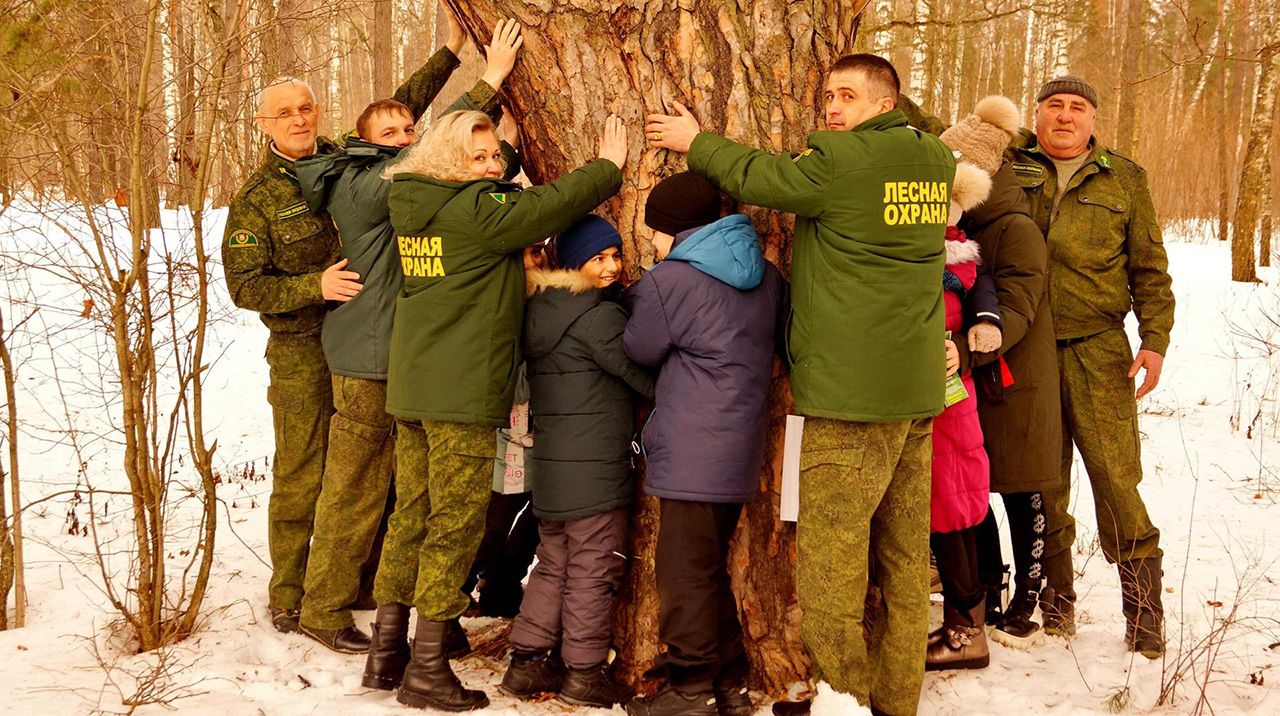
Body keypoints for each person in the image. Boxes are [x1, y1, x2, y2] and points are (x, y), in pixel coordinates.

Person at [647, 53, 954, 716]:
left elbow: (762, 176)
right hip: (915, 392)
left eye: (846, 96)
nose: (832, 110)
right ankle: (896, 702)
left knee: (830, 579)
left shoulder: (844, 164)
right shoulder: (933, 160)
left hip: (852, 400)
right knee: (903, 568)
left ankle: (846, 699)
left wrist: (694, 141)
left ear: (881, 101)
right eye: (827, 98)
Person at [220, 0, 481, 636]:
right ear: (263, 126)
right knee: (305, 474)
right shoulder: (258, 199)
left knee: (374, 474)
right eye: (284, 113)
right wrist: (316, 284)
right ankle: (291, 594)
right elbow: (244, 285)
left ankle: (355, 582)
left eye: (306, 108)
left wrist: (448, 52)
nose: (299, 119)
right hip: (301, 346)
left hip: (364, 338)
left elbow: (396, 113)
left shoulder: (340, 157)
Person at [369, 108, 630, 711]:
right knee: (454, 524)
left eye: (495, 158)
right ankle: (427, 667)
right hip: (459, 391)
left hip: (414, 385)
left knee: (411, 513)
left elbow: (498, 183)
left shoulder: (415, 203)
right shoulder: (477, 212)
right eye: (478, 157)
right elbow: (545, 207)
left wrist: (497, 143)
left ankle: (388, 651)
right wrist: (607, 169)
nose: (491, 168)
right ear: (450, 160)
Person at [292, 15, 523, 656]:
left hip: (408, 354)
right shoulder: (365, 181)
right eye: (387, 134)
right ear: (365, 144)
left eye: (405, 130)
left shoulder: (397, 173)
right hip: (368, 356)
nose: (402, 137)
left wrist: (451, 53)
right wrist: (490, 83)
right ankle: (324, 607)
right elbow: (430, 151)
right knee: (357, 485)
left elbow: (421, 125)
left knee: (407, 492)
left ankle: (403, 609)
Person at [1009, 76, 1174, 657]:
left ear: (1092, 119)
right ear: (1037, 114)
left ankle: (1144, 611)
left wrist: (1154, 340)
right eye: (1054, 105)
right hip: (1025, 348)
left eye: (1078, 107)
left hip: (1098, 349)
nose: (1065, 115)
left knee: (1114, 476)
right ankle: (1057, 601)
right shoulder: (1009, 164)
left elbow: (1150, 269)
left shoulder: (1124, 178)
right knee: (1042, 480)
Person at [618, 173, 786, 716]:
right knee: (707, 566)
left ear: (675, 230)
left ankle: (688, 689)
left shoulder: (671, 281)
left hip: (692, 444)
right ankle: (730, 680)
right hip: (739, 445)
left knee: (683, 573)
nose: (656, 244)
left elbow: (640, 348)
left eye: (659, 233)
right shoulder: (768, 276)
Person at [500, 216, 655, 708]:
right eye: (599, 258)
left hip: (553, 465)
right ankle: (584, 672)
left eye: (615, 255)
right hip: (595, 467)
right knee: (593, 567)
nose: (612, 267)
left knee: (553, 564)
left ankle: (526, 662)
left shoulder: (539, 309)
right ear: (573, 263)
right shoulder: (597, 316)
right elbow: (645, 379)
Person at [938, 96, 1061, 651]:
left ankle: (1029, 600)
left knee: (1022, 490)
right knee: (976, 488)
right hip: (981, 378)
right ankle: (989, 582)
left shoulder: (1015, 228)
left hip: (1018, 380)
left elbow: (1015, 307)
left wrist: (965, 352)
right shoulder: (961, 233)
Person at [924, 160, 1002, 671]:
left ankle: (964, 632)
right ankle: (966, 620)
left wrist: (962, 343)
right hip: (948, 396)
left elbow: (975, 301)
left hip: (947, 398)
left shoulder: (951, 262)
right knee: (955, 506)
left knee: (950, 508)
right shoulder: (954, 259)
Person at [462, 243, 548, 620]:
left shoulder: (547, 299)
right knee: (492, 521)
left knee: (536, 519)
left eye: (539, 250)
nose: (536, 260)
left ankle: (501, 587)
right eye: (528, 253)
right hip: (498, 433)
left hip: (539, 434)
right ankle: (456, 594)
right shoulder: (490, 299)